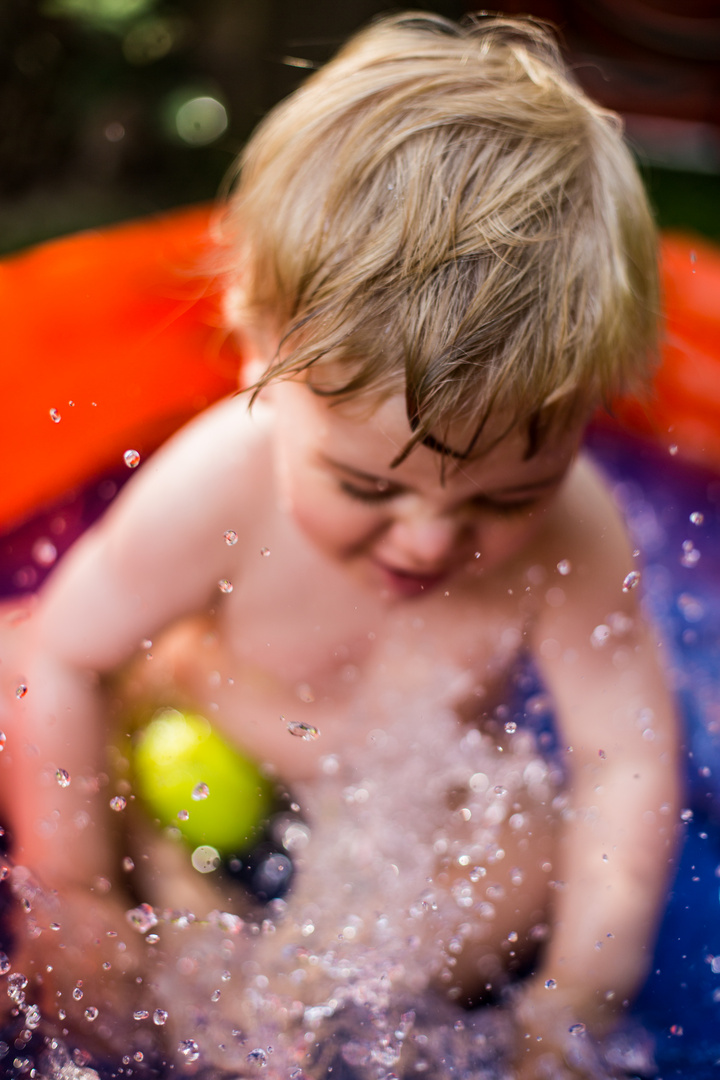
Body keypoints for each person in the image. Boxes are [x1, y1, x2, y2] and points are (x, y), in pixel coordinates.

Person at [0, 11, 679, 1078]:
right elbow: (73, 658)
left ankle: (279, 982)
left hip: (399, 788)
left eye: (506, 497)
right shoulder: (225, 476)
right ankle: (165, 877)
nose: (426, 538)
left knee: (524, 858)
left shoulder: (578, 528)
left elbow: (625, 757)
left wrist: (572, 1001)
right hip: (195, 714)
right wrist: (74, 891)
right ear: (260, 350)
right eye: (368, 483)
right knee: (18, 663)